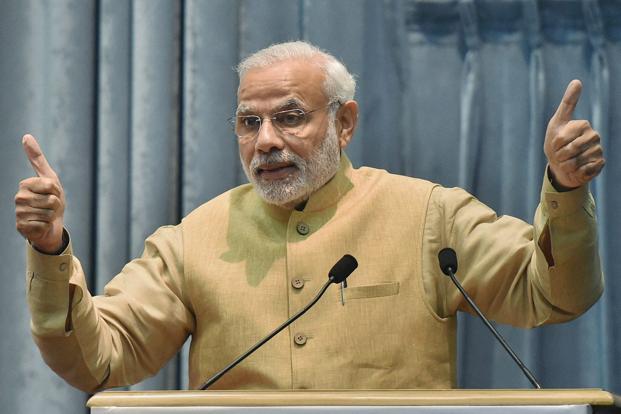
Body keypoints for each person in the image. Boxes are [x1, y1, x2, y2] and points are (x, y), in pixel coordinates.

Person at [16, 41, 605, 392]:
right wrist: (49, 248)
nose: (266, 141)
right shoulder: (192, 239)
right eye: (250, 122)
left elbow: (552, 294)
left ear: (344, 123)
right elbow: (100, 360)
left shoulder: (430, 215)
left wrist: (564, 189)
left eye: (291, 117)